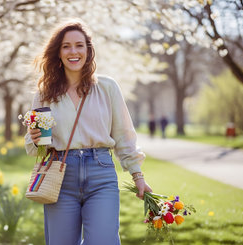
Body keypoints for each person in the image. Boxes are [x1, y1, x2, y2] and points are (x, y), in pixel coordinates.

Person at [24, 19, 152, 245]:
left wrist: (138, 176)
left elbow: (124, 135)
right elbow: (34, 146)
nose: (73, 51)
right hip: (61, 177)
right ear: (59, 53)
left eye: (79, 45)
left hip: (101, 173)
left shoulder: (107, 87)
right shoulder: (45, 93)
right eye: (66, 46)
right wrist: (35, 140)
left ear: (88, 50)